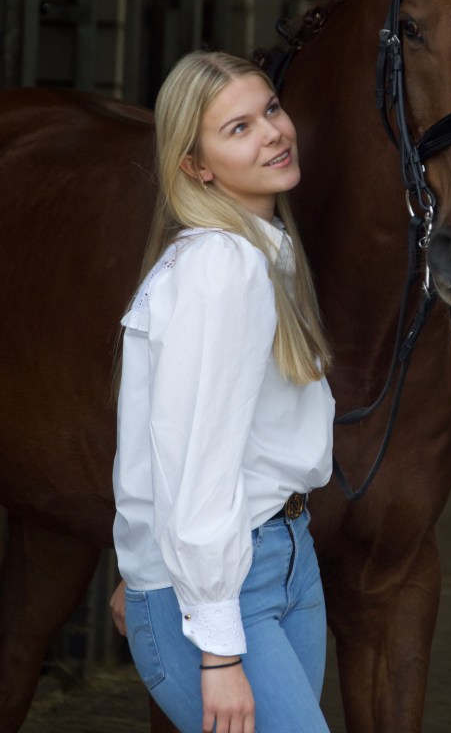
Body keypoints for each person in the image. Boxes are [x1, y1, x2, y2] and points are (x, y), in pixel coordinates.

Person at [111, 50, 335, 733]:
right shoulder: (221, 267)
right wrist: (217, 651)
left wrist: (145, 556)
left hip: (284, 555)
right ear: (195, 166)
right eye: (238, 128)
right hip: (227, 593)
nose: (272, 133)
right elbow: (197, 459)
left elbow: (169, 435)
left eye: (270, 109)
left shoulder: (262, 249)